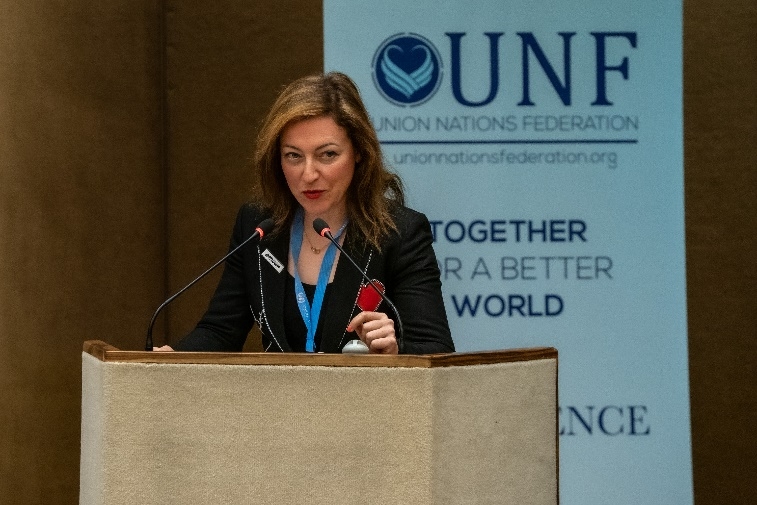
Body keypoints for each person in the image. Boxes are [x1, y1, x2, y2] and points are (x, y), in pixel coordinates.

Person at [156, 72, 454, 354]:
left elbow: (436, 349)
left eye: (328, 154)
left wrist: (396, 350)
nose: (308, 174)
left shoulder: (400, 232)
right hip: (279, 393)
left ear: (359, 152)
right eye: (294, 156)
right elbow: (221, 330)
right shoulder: (258, 226)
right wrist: (173, 358)